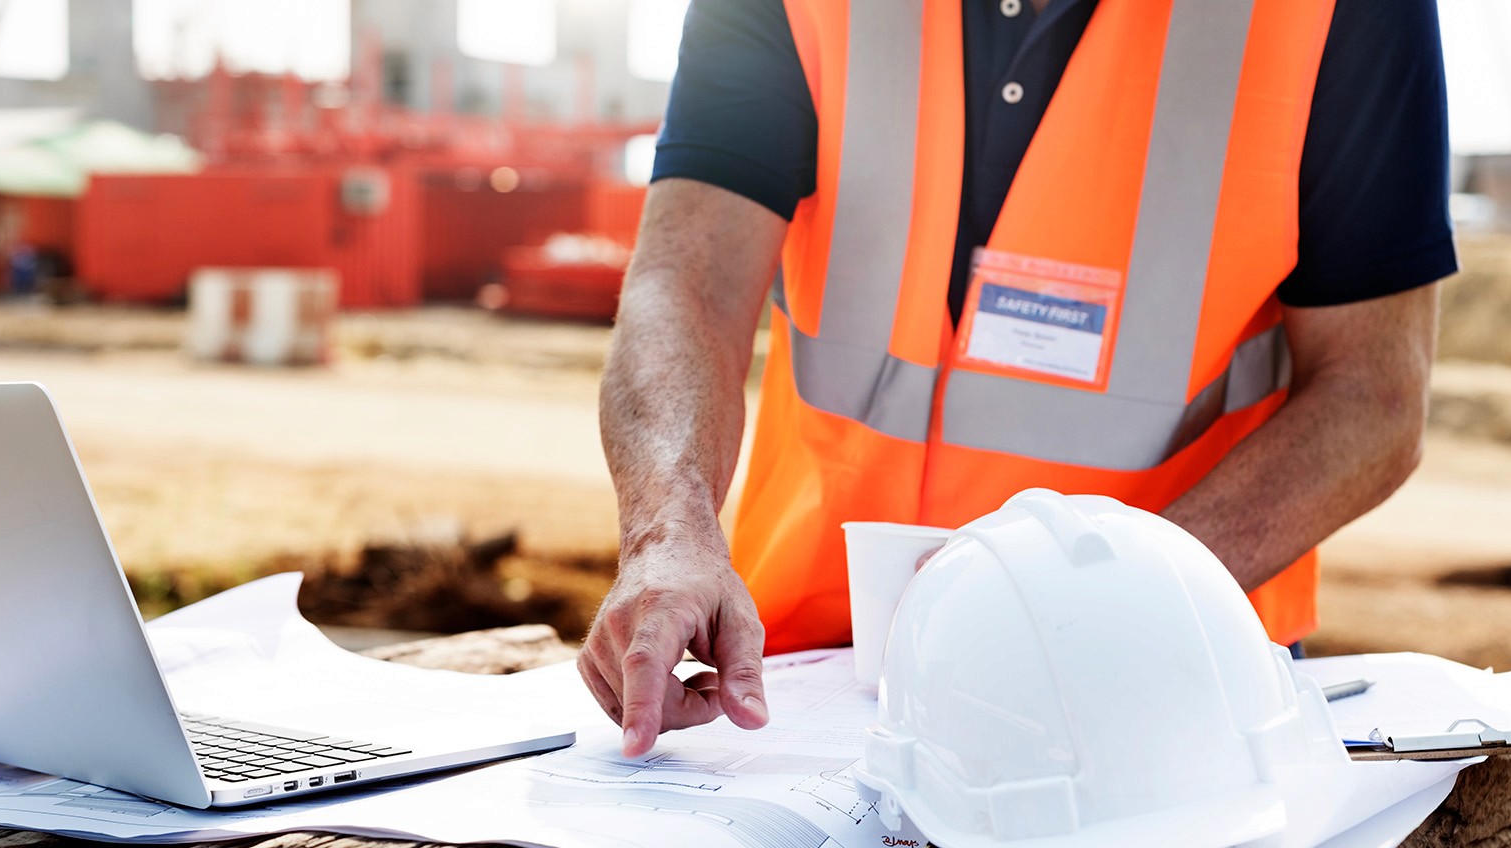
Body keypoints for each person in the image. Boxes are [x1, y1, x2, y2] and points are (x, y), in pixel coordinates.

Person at [579, 0, 1456, 757]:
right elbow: (685, 282)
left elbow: (1373, 397)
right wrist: (669, 532)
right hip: (812, 675)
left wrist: (1097, 603)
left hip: (1160, 678)